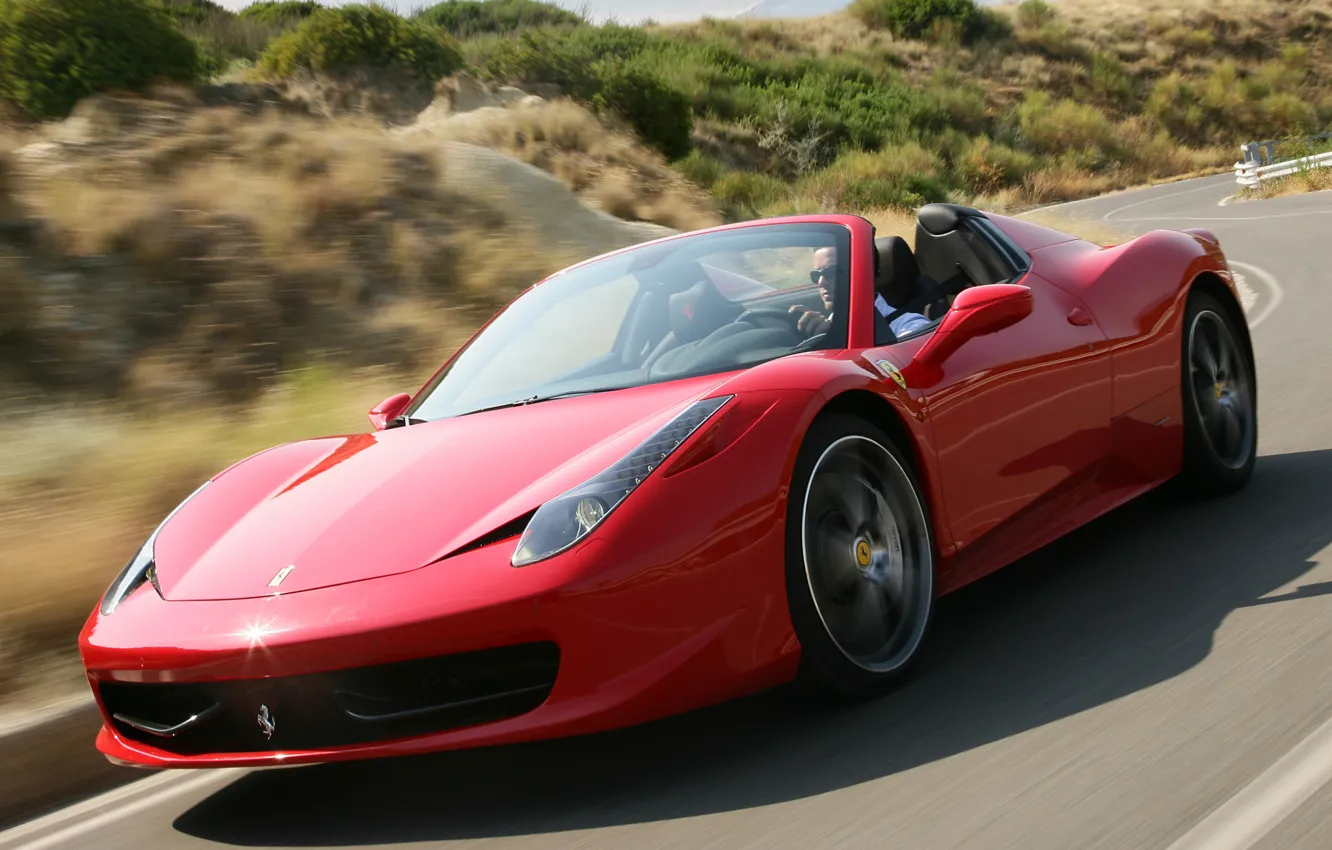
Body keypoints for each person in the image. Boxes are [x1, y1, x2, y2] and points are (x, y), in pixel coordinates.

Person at [789, 246, 932, 340]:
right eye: (815, 275)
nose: (821, 282)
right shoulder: (824, 325)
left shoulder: (910, 326)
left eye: (832, 272)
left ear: (865, 274)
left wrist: (837, 339)